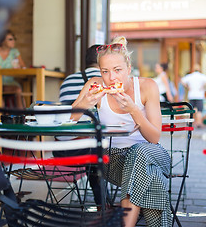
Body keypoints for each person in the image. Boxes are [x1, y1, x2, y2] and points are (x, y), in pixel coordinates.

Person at [71, 36, 172, 227]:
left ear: (128, 67)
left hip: (153, 154)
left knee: (139, 151)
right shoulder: (95, 84)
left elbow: (154, 137)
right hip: (114, 161)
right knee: (154, 180)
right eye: (105, 71)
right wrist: (86, 103)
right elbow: (67, 122)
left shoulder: (147, 86)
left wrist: (134, 110)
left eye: (117, 70)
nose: (111, 78)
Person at [55, 44, 105, 207]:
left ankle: (101, 203)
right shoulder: (105, 81)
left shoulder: (68, 80)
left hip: (64, 151)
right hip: (93, 150)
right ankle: (102, 204)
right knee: (98, 147)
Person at [0, 30, 27, 108]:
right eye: (10, 39)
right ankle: (2, 116)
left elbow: (23, 67)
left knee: (18, 90)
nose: (13, 41)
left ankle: (22, 116)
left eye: (14, 39)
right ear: (2, 41)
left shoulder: (15, 52)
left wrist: (20, 68)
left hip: (10, 82)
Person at [181, 64, 206, 128]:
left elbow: (182, 80)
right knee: (199, 110)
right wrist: (203, 86)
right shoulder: (201, 76)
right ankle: (199, 123)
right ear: (199, 69)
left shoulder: (190, 76)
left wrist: (187, 87)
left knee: (192, 110)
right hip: (199, 95)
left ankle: (191, 122)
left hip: (191, 95)